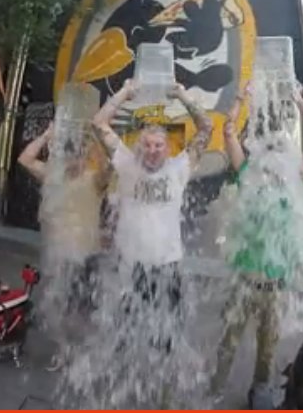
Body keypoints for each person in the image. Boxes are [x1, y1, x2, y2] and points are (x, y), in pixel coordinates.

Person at [91, 79, 213, 391]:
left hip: (168, 266)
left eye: (158, 145)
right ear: (139, 146)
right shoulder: (126, 165)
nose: (153, 150)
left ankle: (164, 383)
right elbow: (99, 123)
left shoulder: (179, 168)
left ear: (167, 147)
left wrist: (183, 94)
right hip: (131, 266)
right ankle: (120, 378)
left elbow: (205, 127)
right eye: (147, 144)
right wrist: (124, 93)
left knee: (167, 330)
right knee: (124, 326)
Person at [209, 82, 303, 403]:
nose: (273, 154)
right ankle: (215, 388)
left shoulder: (297, 178)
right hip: (243, 281)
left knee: (267, 348)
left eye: (279, 147)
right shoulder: (246, 172)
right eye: (268, 148)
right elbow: (229, 132)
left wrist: (299, 99)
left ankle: (259, 392)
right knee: (227, 341)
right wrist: (240, 98)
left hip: (275, 286)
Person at [18, 122, 112, 372]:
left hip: (86, 256)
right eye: (69, 154)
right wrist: (47, 135)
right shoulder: (53, 174)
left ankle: (84, 352)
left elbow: (109, 169)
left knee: (84, 310)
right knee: (57, 307)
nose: (74, 160)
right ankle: (64, 350)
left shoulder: (93, 179)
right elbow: (25, 159)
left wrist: (95, 143)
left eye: (79, 155)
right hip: (58, 255)